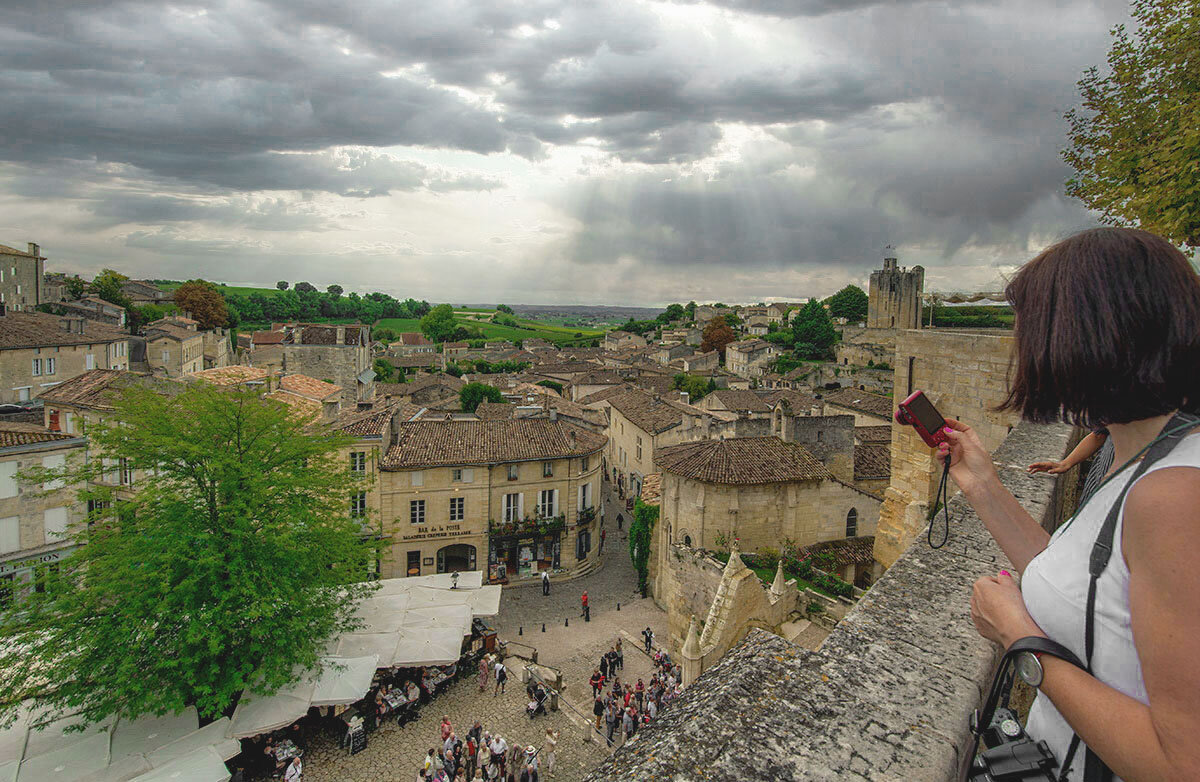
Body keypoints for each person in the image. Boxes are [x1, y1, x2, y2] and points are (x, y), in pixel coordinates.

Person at [938, 228, 1200, 782]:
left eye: (1031, 331)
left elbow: (1184, 763)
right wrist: (980, 482)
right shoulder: (1149, 454)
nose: (1023, 349)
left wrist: (1019, 639)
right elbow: (1087, 581)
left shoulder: (1175, 495)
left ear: (1088, 338)